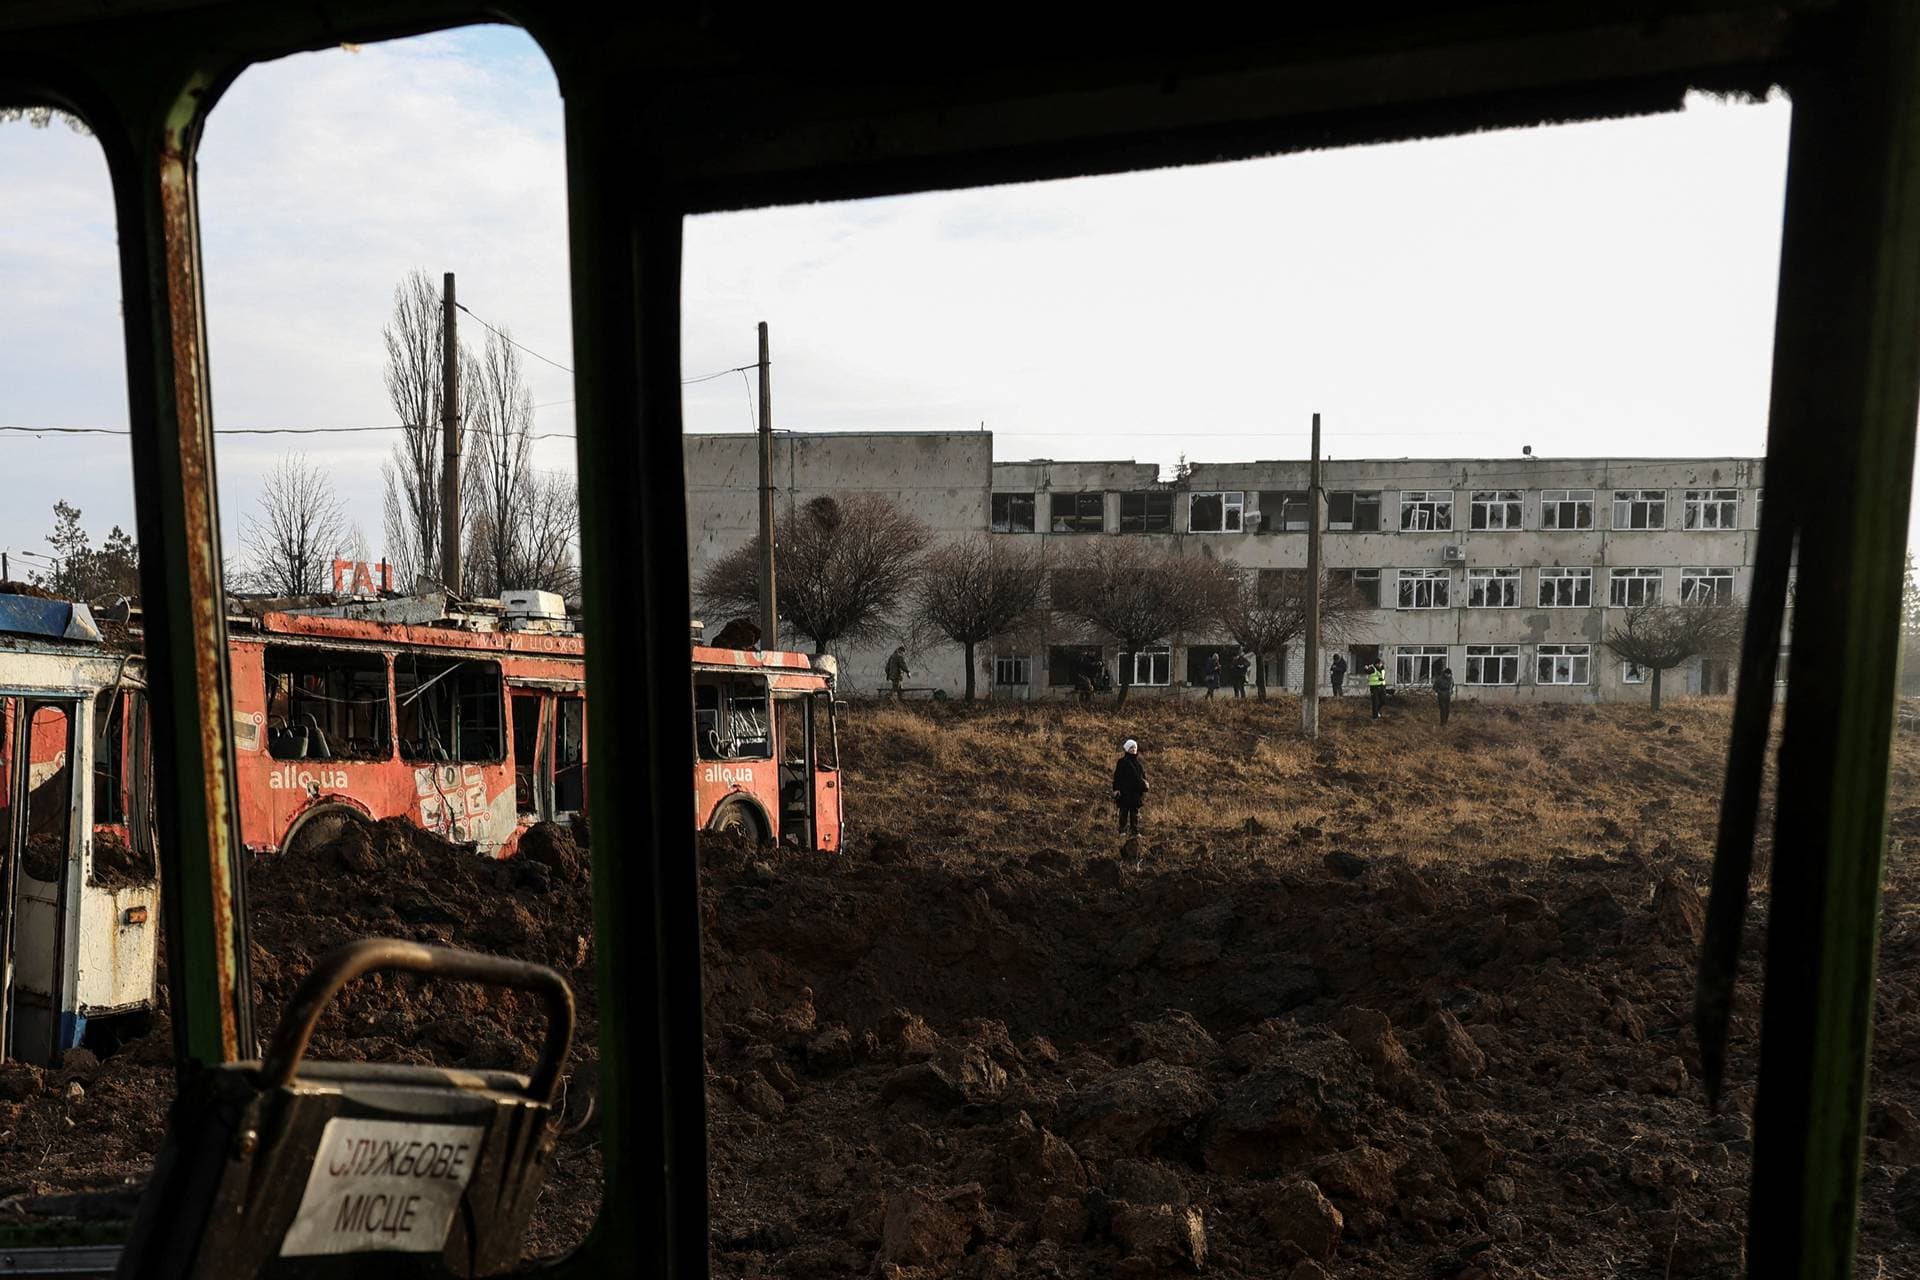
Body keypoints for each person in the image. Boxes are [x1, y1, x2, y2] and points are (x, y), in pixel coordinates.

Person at [1112, 737, 1149, 836]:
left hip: (1135, 793)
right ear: (1127, 749)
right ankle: (1122, 831)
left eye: (1135, 748)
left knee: (1134, 814)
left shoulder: (1138, 764)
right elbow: (1117, 777)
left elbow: (1143, 777)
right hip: (1125, 792)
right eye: (1131, 748)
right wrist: (1116, 789)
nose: (1133, 749)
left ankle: (1135, 831)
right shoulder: (1122, 762)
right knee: (1124, 812)